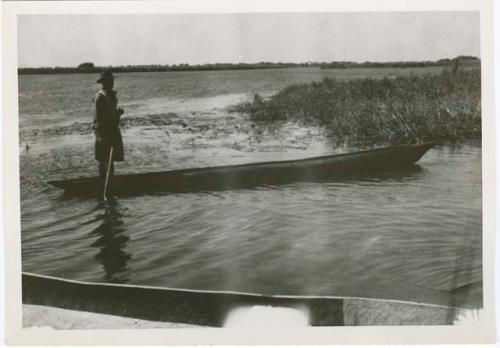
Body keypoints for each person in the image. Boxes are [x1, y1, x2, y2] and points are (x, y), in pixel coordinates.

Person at [93, 70, 124, 181]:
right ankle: (104, 182)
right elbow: (99, 118)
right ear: (103, 83)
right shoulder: (100, 97)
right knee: (104, 160)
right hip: (103, 133)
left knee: (110, 161)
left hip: (111, 131)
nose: (111, 83)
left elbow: (110, 115)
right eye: (109, 81)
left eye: (111, 81)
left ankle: (110, 181)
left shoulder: (111, 96)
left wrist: (117, 114)